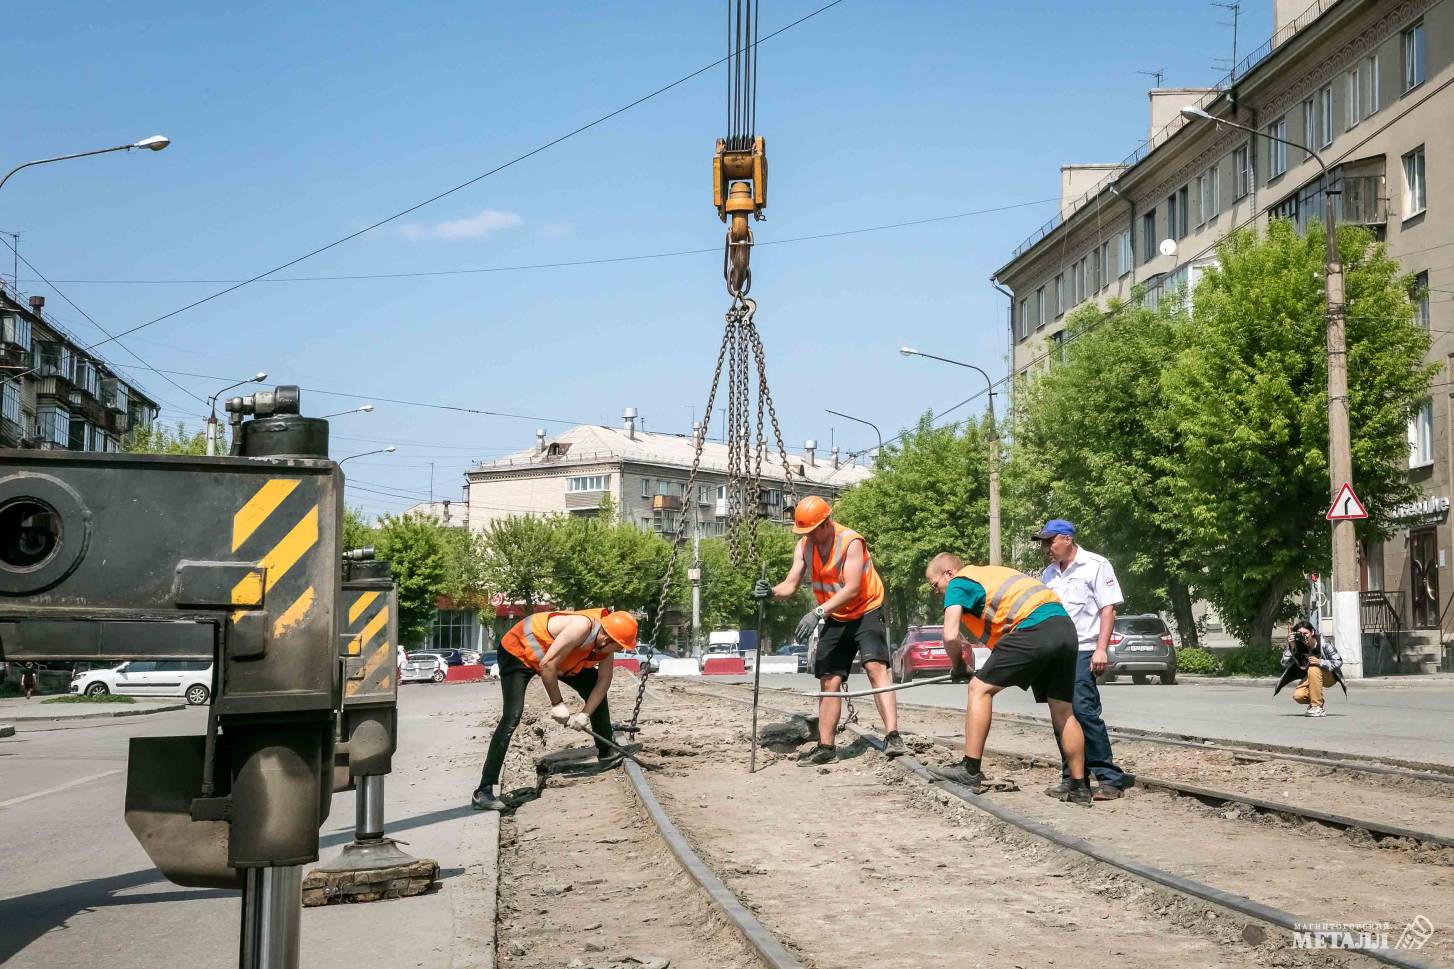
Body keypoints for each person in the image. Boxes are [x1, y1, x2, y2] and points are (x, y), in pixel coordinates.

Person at [924, 552, 1093, 805]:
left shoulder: (959, 581)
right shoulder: (991, 574)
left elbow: (950, 636)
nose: (937, 592)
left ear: (948, 573)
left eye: (934, 585)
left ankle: (970, 770)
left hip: (1033, 628)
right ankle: (1079, 787)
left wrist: (958, 666)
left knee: (978, 688)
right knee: (1063, 710)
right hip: (1064, 629)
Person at [754, 495, 905, 763]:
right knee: (829, 679)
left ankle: (893, 736)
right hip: (835, 615)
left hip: (866, 611)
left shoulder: (851, 542)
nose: (809, 536)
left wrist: (817, 612)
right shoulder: (804, 547)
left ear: (825, 523)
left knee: (875, 668)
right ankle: (826, 748)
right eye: (805, 532)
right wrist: (771, 592)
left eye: (812, 531)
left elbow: (853, 588)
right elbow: (790, 583)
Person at [472, 608, 638, 811]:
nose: (618, 651)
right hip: (518, 651)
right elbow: (547, 665)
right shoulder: (581, 627)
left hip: (553, 659)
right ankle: (483, 791)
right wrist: (557, 704)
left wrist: (584, 714)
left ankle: (606, 753)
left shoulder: (605, 646)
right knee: (512, 716)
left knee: (593, 685)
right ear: (606, 637)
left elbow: (604, 682)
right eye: (618, 646)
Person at [1036, 519, 1129, 801]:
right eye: (1043, 543)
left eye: (1050, 541)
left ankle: (1110, 779)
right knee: (1062, 717)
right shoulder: (1048, 575)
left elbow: (1107, 609)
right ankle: (1073, 778)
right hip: (1055, 652)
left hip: (1085, 649)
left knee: (1085, 712)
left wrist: (1101, 649)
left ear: (1067, 538)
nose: (1046, 548)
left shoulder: (1096, 565)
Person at [1274, 620, 1346, 716]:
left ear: (1312, 632)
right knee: (1299, 696)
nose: (1304, 636)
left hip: (1329, 676)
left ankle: (1317, 707)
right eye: (1300, 634)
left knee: (1313, 668)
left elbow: (1338, 661)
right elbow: (1284, 663)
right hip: (1310, 676)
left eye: (1306, 633)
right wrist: (1291, 646)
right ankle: (1317, 701)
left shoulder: (1323, 643)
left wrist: (1320, 662)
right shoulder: (1297, 645)